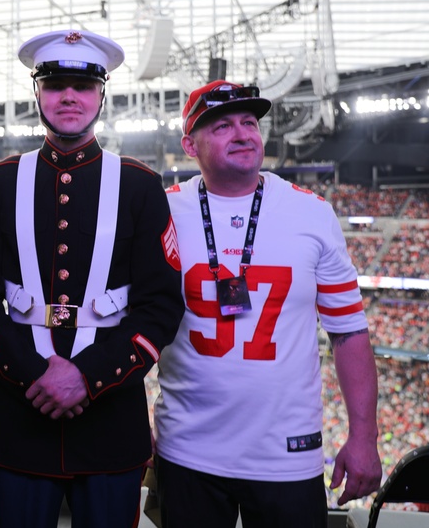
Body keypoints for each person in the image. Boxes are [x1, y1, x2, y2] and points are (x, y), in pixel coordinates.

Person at [0, 29, 184, 528]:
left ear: (102, 94)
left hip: (109, 416)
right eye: (54, 84)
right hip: (19, 415)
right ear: (36, 92)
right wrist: (34, 374)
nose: (68, 97)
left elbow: (161, 305)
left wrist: (87, 376)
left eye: (82, 87)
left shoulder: (141, 186)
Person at [154, 80, 382, 527]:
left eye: (249, 122)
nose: (242, 134)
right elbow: (135, 321)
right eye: (221, 126)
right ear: (189, 145)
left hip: (288, 453)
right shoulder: (161, 211)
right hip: (186, 449)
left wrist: (364, 437)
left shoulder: (312, 212)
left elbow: (349, 333)